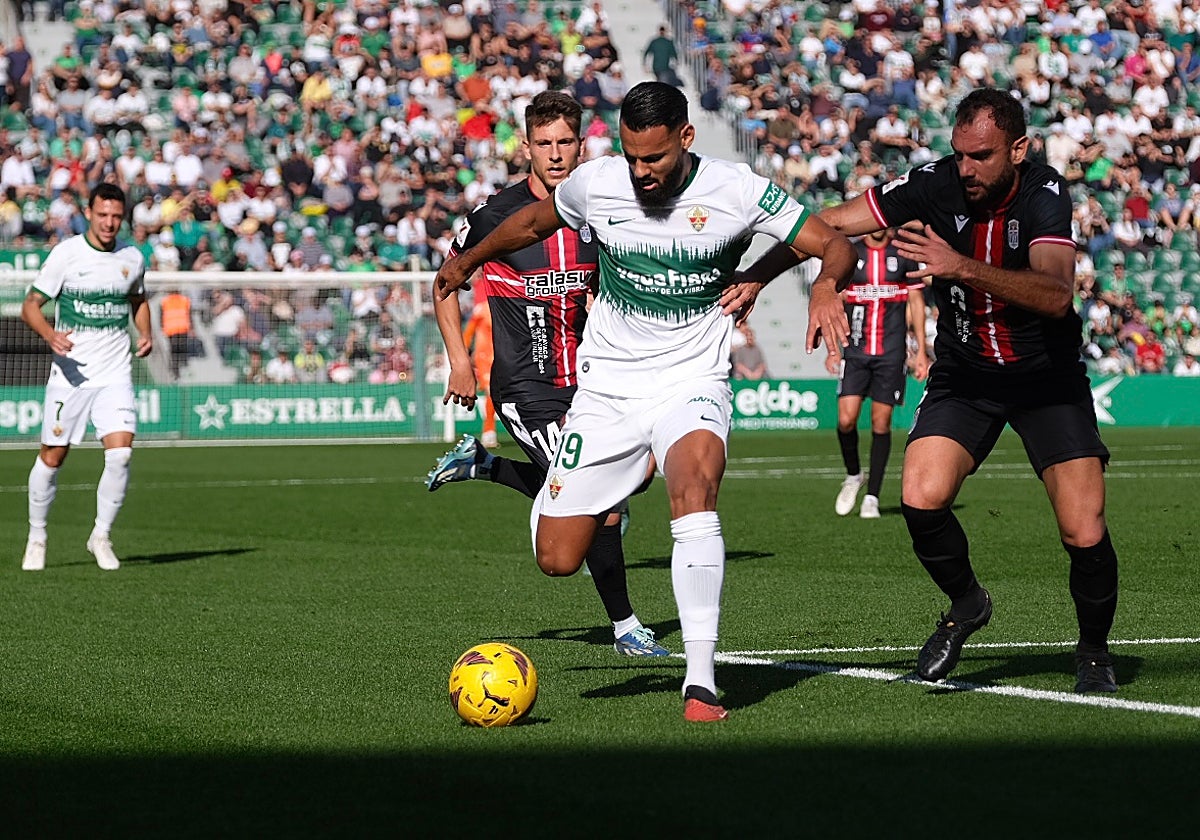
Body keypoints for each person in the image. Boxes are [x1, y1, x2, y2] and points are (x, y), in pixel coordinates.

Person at [434, 82, 856, 721]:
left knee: (694, 488)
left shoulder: (737, 189)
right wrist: (471, 259)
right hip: (606, 390)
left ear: (686, 138)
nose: (640, 172)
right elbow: (532, 221)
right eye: (631, 157)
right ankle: (542, 474)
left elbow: (832, 240)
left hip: (693, 378)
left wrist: (824, 286)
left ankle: (701, 683)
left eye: (653, 158)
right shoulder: (598, 182)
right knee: (557, 557)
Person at [815, 89, 1120, 694]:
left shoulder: (1044, 193)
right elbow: (828, 224)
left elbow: (1057, 295)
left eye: (981, 156)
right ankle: (966, 604)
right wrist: (794, 278)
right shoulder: (934, 183)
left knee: (1083, 531)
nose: (967, 168)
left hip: (1046, 379)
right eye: (960, 154)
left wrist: (960, 267)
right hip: (966, 373)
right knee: (921, 497)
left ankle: (1092, 651)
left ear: (1018, 149)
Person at [427, 91, 669, 660]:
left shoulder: (601, 210)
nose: (555, 154)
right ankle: (626, 627)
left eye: (565, 142)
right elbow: (445, 282)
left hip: (590, 385)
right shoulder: (495, 216)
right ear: (526, 148)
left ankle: (484, 466)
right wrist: (460, 362)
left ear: (581, 145)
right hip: (525, 389)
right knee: (600, 503)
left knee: (631, 479)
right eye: (544, 143)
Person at [19, 183, 152, 571]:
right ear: (89, 213)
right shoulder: (67, 254)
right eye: (102, 215)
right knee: (53, 457)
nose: (109, 223)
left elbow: (138, 300)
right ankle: (37, 536)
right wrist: (50, 335)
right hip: (71, 375)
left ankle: (101, 536)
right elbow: (31, 305)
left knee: (121, 454)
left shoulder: (132, 257)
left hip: (115, 373)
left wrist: (146, 333)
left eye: (116, 216)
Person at [827, 228, 929, 519]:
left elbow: (916, 302)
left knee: (880, 423)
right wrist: (833, 349)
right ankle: (853, 474)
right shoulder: (851, 254)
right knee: (845, 420)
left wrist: (921, 351)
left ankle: (872, 496)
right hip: (855, 351)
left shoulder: (902, 253)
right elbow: (835, 303)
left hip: (891, 353)